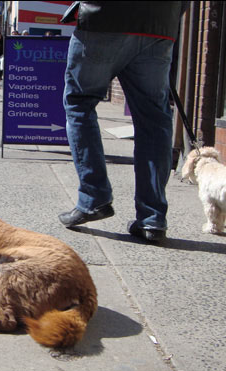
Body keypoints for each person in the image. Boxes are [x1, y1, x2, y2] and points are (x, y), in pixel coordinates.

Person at [58, 1, 189, 242]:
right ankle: (152, 218)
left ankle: (93, 197)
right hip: (160, 23)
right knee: (154, 119)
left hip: (104, 17)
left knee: (80, 103)